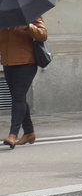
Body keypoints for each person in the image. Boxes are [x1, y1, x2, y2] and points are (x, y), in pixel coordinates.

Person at [0, 17, 48, 148]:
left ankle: (13, 134)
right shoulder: (4, 15)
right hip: (8, 62)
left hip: (26, 62)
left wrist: (28, 26)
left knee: (18, 97)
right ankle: (29, 132)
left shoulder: (30, 14)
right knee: (18, 97)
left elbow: (43, 35)